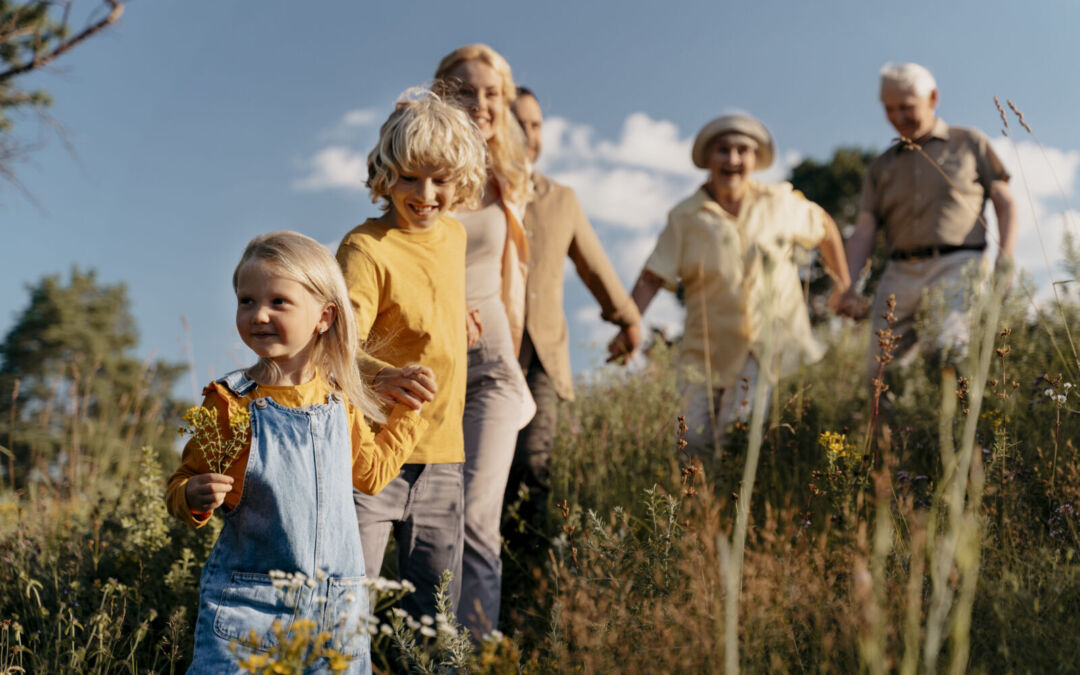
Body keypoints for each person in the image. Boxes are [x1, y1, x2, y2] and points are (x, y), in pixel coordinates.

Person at [167, 231, 428, 674]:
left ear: (324, 316)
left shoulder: (337, 401)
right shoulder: (230, 404)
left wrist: (408, 412)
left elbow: (370, 474)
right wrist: (192, 493)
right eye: (246, 301)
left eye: (278, 302)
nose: (259, 315)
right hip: (251, 609)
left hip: (337, 614)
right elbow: (181, 482)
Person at [611, 114, 851, 456]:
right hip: (704, 349)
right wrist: (627, 328)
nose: (733, 159)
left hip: (763, 345)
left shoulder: (778, 202)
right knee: (690, 442)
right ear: (709, 158)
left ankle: (736, 504)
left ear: (755, 159)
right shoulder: (686, 217)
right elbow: (652, 276)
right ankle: (699, 508)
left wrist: (843, 287)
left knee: (736, 433)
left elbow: (824, 227)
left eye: (743, 150)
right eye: (723, 150)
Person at [336, 91, 486, 620]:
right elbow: (333, 343)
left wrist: (457, 314)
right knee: (348, 606)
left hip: (444, 455)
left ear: (460, 180)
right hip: (373, 456)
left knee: (434, 619)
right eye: (409, 178)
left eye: (441, 180)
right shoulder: (365, 248)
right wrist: (382, 376)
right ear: (385, 174)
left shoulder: (454, 236)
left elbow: (426, 290)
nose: (425, 194)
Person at [505, 86, 642, 540]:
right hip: (482, 351)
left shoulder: (561, 199)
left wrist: (628, 319)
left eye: (536, 124)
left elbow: (595, 264)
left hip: (541, 357)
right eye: (517, 121)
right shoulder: (472, 192)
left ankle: (527, 590)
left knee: (532, 465)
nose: (528, 133)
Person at [433, 43, 535, 637]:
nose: (481, 103)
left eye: (493, 93)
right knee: (430, 520)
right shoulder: (418, 169)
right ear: (441, 94)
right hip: (428, 370)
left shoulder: (509, 179)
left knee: (475, 516)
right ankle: (426, 642)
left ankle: (471, 652)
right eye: (466, 91)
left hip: (493, 368)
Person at [836, 62, 1016, 390]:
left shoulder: (968, 142)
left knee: (947, 349)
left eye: (906, 107)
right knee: (879, 372)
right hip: (899, 273)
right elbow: (864, 230)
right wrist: (848, 287)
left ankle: (965, 435)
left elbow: (1005, 203)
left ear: (932, 97)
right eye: (889, 109)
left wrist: (1005, 260)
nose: (897, 117)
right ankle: (894, 439)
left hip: (958, 264)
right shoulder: (881, 165)